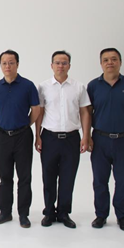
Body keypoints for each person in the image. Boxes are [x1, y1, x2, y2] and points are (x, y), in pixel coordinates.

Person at [35, 50, 91, 229]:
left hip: (71, 138)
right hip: (49, 137)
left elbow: (84, 112)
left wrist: (86, 136)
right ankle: (49, 212)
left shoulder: (78, 87)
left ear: (69, 66)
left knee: (68, 177)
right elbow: (40, 112)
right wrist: (37, 135)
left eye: (64, 63)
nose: (60, 66)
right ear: (51, 65)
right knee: (48, 176)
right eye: (57, 63)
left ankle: (64, 213)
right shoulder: (43, 87)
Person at [87, 47, 124, 232]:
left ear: (120, 62)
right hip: (100, 139)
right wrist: (87, 137)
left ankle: (122, 216)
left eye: (114, 59)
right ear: (101, 63)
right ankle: (101, 215)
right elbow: (87, 113)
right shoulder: (93, 86)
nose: (110, 62)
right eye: (106, 60)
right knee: (100, 181)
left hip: (123, 140)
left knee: (123, 181)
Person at [0, 49, 40, 228]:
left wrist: (25, 124)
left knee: (24, 177)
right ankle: (5, 212)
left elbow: (36, 109)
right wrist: (2, 123)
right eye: (4, 63)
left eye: (11, 63)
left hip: (23, 136)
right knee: (5, 177)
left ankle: (24, 214)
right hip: (3, 136)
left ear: (17, 64)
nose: (8, 66)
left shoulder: (28, 86)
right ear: (0, 65)